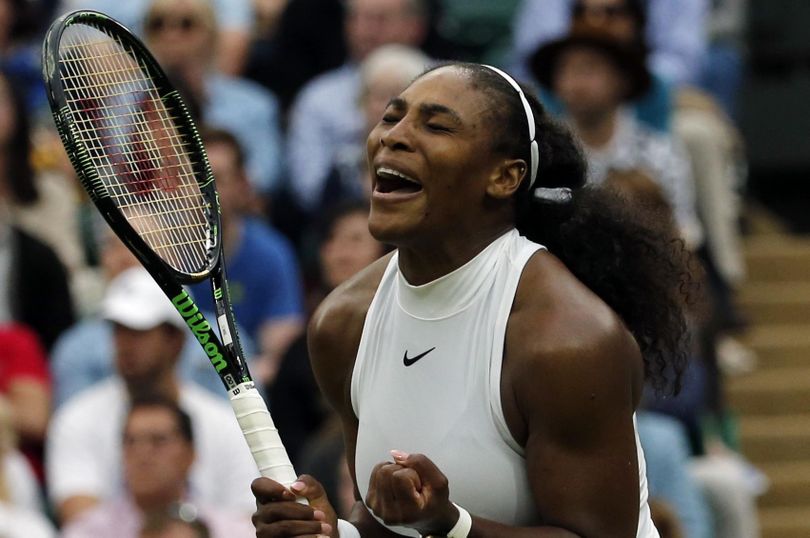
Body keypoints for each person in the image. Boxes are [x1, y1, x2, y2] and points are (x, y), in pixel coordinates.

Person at [251, 62, 693, 536]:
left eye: (436, 126)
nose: (393, 137)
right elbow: (385, 521)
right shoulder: (343, 323)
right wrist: (336, 532)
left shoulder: (567, 341)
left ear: (504, 177)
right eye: (390, 117)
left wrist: (452, 527)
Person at [46, 267, 259, 524]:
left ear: (176, 341)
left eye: (139, 331)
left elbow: (247, 522)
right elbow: (79, 521)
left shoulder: (226, 425)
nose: (124, 344)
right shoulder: (75, 418)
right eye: (118, 330)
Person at [530, 20, 704, 250]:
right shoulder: (543, 156)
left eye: (589, 68)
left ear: (622, 80)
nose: (575, 82)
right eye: (565, 69)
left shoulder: (661, 153)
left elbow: (685, 232)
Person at [285, 0, 428, 214]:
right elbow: (310, 190)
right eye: (356, 18)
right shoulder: (317, 97)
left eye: (380, 19)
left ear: (414, 25)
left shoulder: (447, 84)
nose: (366, 30)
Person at [191, 128, 305, 385]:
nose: (202, 189)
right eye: (194, 176)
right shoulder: (161, 251)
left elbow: (280, 353)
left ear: (242, 185)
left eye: (216, 178)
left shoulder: (273, 254)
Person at [61, 396, 255, 538]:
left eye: (158, 440)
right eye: (131, 441)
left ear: (190, 455)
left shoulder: (230, 531)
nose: (142, 453)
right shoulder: (86, 532)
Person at [143, 0, 284, 194]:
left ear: (210, 33)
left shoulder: (255, 104)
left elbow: (266, 178)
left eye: (187, 24)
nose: (171, 34)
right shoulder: (123, 102)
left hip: (230, 213)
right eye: (158, 24)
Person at [509, 0, 709, 87]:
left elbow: (682, 62)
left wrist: (619, 84)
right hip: (559, 95)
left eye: (613, 12)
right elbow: (537, 53)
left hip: (650, 95)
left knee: (699, 131)